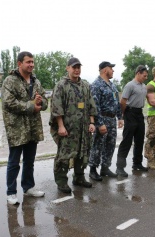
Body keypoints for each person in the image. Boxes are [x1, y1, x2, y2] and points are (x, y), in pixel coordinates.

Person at [1, 51, 47, 205]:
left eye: (32, 62)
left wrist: (40, 103)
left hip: (33, 127)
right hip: (17, 128)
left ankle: (28, 187)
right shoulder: (10, 81)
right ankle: (11, 192)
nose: (31, 65)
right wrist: (31, 106)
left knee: (29, 160)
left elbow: (45, 101)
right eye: (28, 62)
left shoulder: (36, 81)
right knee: (14, 161)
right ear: (19, 63)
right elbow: (9, 103)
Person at [50, 57, 97, 193]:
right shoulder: (61, 85)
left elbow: (91, 105)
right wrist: (60, 126)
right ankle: (61, 181)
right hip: (68, 128)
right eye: (74, 67)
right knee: (64, 155)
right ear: (68, 68)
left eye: (78, 67)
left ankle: (79, 177)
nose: (77, 70)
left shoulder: (85, 85)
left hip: (83, 128)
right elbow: (56, 107)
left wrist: (92, 122)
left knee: (82, 153)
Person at [89, 61, 124, 181]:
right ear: (105, 70)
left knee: (110, 145)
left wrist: (120, 117)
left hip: (112, 119)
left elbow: (117, 102)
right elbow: (95, 106)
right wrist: (99, 123)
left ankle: (105, 167)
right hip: (102, 119)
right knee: (98, 145)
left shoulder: (112, 85)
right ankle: (93, 169)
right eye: (111, 68)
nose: (113, 71)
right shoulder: (96, 85)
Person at [116, 65, 148, 177]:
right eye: (144, 75)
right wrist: (124, 114)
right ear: (138, 73)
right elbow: (123, 101)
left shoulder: (144, 86)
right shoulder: (130, 85)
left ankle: (137, 163)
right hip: (130, 113)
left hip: (139, 114)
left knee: (140, 140)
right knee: (127, 141)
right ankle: (120, 167)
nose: (145, 77)